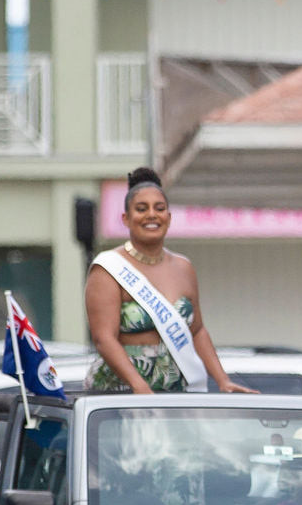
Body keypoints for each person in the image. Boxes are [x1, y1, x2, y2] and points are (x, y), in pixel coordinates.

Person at [85, 167, 250, 394]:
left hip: (176, 385)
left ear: (169, 217)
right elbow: (104, 338)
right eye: (141, 209)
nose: (151, 215)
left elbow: (197, 330)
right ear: (126, 218)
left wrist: (222, 379)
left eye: (159, 208)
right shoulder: (109, 268)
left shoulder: (184, 267)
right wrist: (139, 386)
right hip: (123, 389)